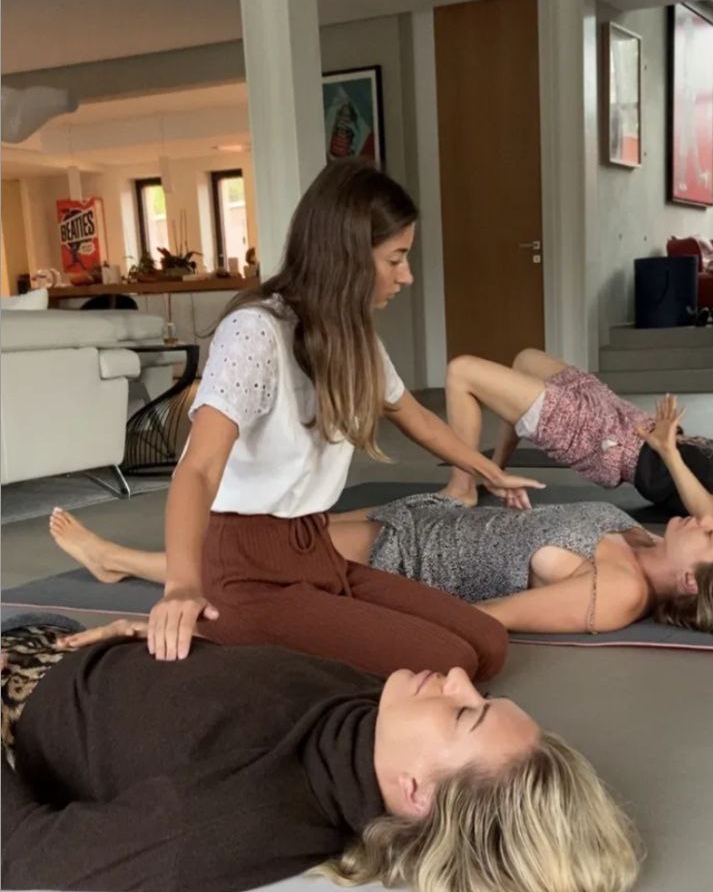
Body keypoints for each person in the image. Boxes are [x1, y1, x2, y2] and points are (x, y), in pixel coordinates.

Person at [145, 159, 540, 672]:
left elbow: (416, 417)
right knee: (450, 661)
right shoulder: (255, 331)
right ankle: (227, 636)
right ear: (348, 255)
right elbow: (198, 468)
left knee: (487, 641)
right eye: (395, 259)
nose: (407, 276)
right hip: (245, 573)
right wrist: (181, 586)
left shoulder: (353, 338)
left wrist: (491, 472)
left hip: (318, 552)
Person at [0, 616, 640, 892]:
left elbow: (19, 850)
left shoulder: (229, 824)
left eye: (463, 714)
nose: (457, 679)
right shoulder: (374, 713)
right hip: (62, 640)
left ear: (417, 792)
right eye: (482, 698)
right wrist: (143, 643)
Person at [51, 425, 713, 637]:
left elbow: (483, 619)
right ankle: (129, 559)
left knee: (249, 558)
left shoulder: (616, 593)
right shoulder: (637, 543)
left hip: (406, 559)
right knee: (261, 535)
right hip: (429, 520)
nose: (704, 523)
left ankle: (118, 560)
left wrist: (360, 617)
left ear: (692, 581)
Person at [440, 352, 713, 524]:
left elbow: (708, 516)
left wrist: (669, 451)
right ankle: (494, 469)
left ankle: (462, 487)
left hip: (596, 437)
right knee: (525, 359)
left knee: (461, 371)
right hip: (614, 412)